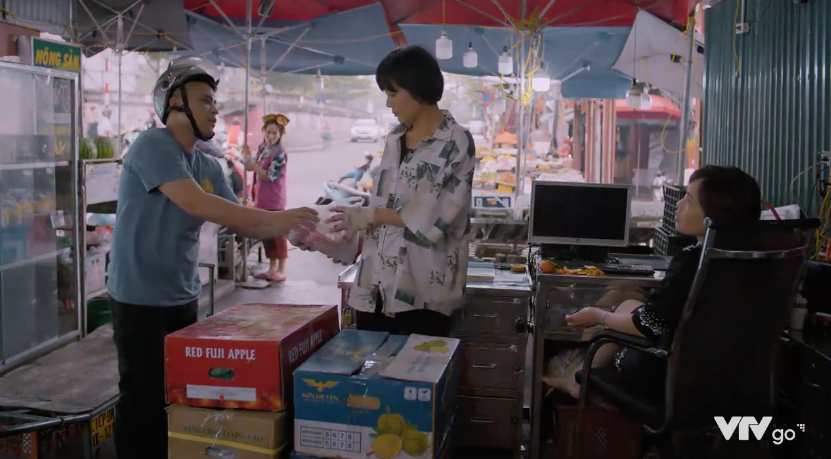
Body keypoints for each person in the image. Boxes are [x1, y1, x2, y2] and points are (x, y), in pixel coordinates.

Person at [107, 56, 318, 459]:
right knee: (142, 397)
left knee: (179, 395)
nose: (215, 109)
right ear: (174, 103)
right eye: (205, 100)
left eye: (215, 102)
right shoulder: (153, 145)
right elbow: (196, 203)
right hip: (138, 298)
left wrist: (299, 231)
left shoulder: (207, 165)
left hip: (183, 295)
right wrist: (281, 218)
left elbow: (240, 220)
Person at [544, 165, 763, 402]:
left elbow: (649, 326)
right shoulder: (756, 260)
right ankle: (575, 378)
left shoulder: (691, 261)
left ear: (714, 216)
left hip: (670, 371)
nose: (679, 205)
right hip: (735, 373)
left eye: (689, 201)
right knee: (628, 303)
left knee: (619, 316)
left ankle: (578, 382)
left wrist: (598, 316)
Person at [323, 45, 477, 337]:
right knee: (371, 361)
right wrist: (348, 236)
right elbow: (386, 206)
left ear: (418, 88)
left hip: (423, 292)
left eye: (392, 93)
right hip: (375, 287)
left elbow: (433, 216)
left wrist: (367, 215)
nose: (388, 103)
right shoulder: (394, 138)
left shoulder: (456, 141)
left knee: (418, 365)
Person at [247, 113, 291, 282]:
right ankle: (271, 268)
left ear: (280, 135)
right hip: (261, 198)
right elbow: (254, 168)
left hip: (274, 199)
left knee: (278, 234)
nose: (271, 136)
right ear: (263, 132)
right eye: (268, 132)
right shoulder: (262, 149)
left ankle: (281, 270)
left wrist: (254, 166)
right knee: (267, 234)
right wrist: (249, 161)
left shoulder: (280, 153)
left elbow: (270, 176)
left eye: (274, 133)